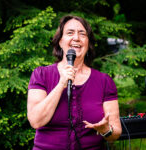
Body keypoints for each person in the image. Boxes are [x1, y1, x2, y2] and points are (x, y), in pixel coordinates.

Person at [27, 15, 122, 150]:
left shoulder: (104, 81)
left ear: (88, 44)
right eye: (70, 33)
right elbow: (36, 121)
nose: (76, 38)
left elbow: (116, 132)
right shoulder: (41, 74)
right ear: (60, 41)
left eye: (82, 34)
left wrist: (106, 130)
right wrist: (61, 84)